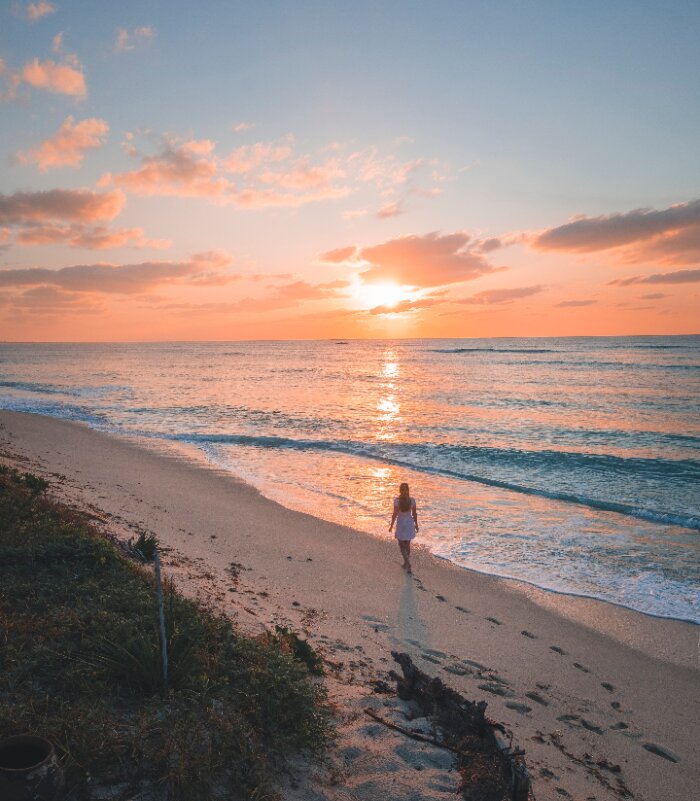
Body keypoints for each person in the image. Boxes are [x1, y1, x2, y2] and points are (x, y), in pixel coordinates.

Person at [389, 482, 418, 573]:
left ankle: (407, 563)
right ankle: (406, 563)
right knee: (407, 544)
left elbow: (395, 514)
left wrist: (391, 525)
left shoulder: (397, 501)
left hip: (401, 523)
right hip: (409, 523)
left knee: (401, 545)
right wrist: (416, 524)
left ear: (400, 490)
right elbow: (414, 514)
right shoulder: (412, 500)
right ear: (408, 490)